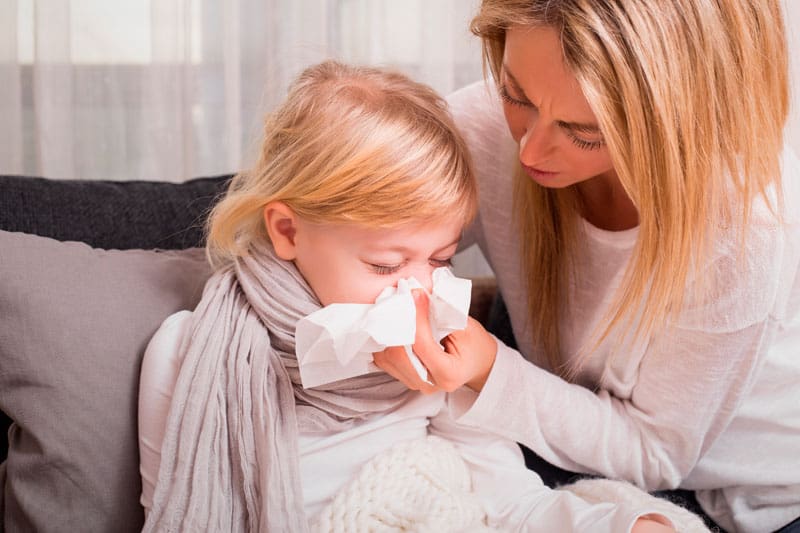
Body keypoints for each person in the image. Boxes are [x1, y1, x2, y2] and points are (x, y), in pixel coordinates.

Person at [136, 60, 696, 532]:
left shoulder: (438, 350)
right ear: (287, 231)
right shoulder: (189, 353)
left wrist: (621, 524)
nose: (417, 288)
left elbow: (509, 505)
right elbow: (174, 507)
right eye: (385, 264)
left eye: (441, 258)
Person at [373, 2, 800, 532]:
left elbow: (654, 454)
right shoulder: (480, 129)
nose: (530, 148)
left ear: (676, 118)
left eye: (584, 131)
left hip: (748, 499)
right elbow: (346, 234)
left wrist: (488, 371)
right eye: (516, 95)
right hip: (569, 420)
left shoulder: (746, 229)